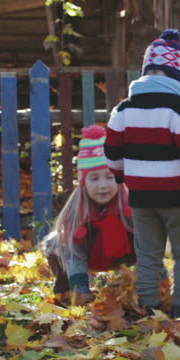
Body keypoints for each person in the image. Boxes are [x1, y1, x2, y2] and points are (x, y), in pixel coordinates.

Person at [105, 28, 180, 319]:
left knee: (148, 253)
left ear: (146, 71)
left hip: (142, 197)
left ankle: (148, 306)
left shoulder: (123, 109)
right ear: (178, 75)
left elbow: (112, 153)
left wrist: (120, 178)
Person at [41, 124, 135, 306]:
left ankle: (153, 288)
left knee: (150, 235)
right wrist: (81, 291)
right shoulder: (77, 208)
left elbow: (150, 245)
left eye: (110, 177)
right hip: (90, 254)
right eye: (94, 178)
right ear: (83, 181)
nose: (103, 186)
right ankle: (71, 289)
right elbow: (72, 249)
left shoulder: (129, 203)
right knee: (55, 242)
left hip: (125, 255)